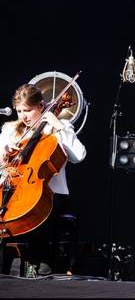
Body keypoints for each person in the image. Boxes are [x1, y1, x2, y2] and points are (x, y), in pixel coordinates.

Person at [0, 84, 86, 278]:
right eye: (20, 111)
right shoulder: (10, 130)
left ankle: (40, 267)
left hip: (52, 194)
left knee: (40, 208)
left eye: (28, 110)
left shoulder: (57, 128)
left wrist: (58, 124)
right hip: (13, 189)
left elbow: (78, 156)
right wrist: (5, 155)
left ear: (41, 106)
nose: (24, 116)